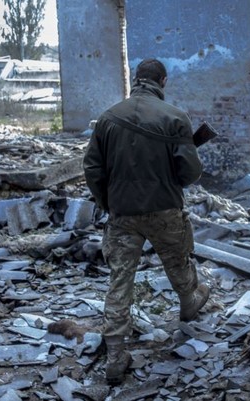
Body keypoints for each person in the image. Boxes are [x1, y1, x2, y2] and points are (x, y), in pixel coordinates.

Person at [83, 58, 210, 384]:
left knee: (120, 280)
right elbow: (191, 173)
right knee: (178, 261)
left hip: (122, 214)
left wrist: (107, 202)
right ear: (163, 81)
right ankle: (188, 304)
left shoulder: (108, 118)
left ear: (135, 78)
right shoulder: (175, 117)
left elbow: (92, 168)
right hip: (165, 208)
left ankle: (115, 356)